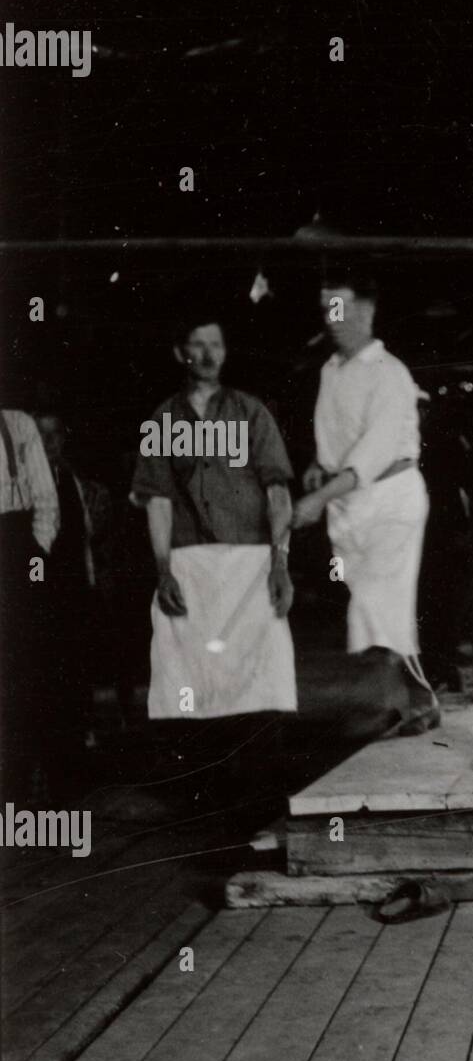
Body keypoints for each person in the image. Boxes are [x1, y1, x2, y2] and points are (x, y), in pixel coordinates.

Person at [129, 314, 297, 809]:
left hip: (250, 565)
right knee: (191, 676)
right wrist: (163, 570)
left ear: (225, 351)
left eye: (216, 344)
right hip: (191, 565)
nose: (207, 354)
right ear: (179, 351)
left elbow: (278, 493)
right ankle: (206, 804)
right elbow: (156, 500)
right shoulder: (163, 420)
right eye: (197, 344)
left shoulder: (250, 413)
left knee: (260, 675)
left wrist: (280, 562)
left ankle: (262, 803)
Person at [292, 272, 440, 736]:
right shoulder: (330, 371)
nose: (333, 320)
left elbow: (372, 454)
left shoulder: (390, 374)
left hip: (392, 500)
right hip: (351, 506)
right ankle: (414, 700)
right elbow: (334, 437)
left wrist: (316, 497)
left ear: (367, 311)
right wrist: (320, 465)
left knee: (380, 605)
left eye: (341, 308)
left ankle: (400, 702)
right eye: (326, 309)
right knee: (376, 605)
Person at [34, 411, 112, 771]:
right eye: (41, 434)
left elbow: (83, 536)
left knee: (76, 662)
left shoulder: (74, 482)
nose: (48, 442)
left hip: (74, 588)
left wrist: (90, 579)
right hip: (40, 592)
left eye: (54, 434)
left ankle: (79, 736)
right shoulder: (24, 483)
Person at [0, 405, 59, 801]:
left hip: (16, 552)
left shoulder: (17, 424)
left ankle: (19, 790)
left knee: (20, 676)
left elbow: (46, 502)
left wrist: (34, 567)